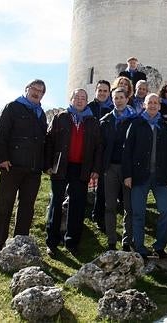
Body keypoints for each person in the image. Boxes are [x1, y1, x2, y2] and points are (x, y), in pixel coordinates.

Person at [0, 79, 48, 254]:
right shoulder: (12, 107)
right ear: (27, 89)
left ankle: (19, 243)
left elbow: (43, 143)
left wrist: (42, 165)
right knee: (4, 205)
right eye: (34, 89)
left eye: (40, 91)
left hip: (33, 170)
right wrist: (2, 159)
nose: (37, 92)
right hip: (11, 166)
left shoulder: (41, 114)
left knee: (27, 208)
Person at [45, 88, 102, 256]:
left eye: (83, 98)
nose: (80, 100)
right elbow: (49, 142)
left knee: (77, 206)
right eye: (77, 97)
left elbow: (99, 147)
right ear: (71, 99)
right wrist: (48, 164)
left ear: (86, 101)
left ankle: (72, 242)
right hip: (61, 166)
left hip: (82, 168)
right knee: (56, 203)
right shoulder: (60, 117)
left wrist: (96, 169)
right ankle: (52, 242)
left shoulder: (92, 121)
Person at [123, 93, 167, 259]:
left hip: (161, 176)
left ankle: (159, 246)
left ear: (160, 106)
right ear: (144, 105)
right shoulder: (136, 124)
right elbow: (127, 151)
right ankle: (139, 247)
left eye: (155, 103)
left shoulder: (165, 126)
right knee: (138, 212)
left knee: (166, 210)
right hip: (139, 175)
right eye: (149, 103)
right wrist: (127, 175)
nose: (153, 105)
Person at [99, 87, 137, 251]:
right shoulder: (105, 121)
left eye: (121, 97)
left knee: (129, 206)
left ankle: (127, 241)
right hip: (110, 167)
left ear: (127, 99)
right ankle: (111, 241)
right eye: (116, 98)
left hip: (128, 169)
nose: (119, 100)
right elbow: (100, 146)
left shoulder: (135, 121)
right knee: (110, 205)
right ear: (112, 100)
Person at [86, 79, 114, 230]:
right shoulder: (88, 107)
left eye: (105, 91)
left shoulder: (112, 109)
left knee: (102, 187)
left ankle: (98, 215)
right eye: (100, 90)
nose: (102, 93)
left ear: (109, 93)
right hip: (89, 150)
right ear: (95, 91)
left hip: (104, 152)